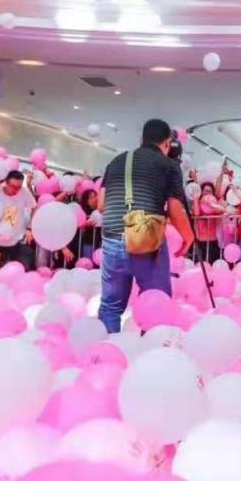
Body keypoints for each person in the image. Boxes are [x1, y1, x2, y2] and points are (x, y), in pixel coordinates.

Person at [98, 119, 193, 333]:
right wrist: (189, 237)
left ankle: (108, 349)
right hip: (147, 241)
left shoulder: (116, 161)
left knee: (111, 306)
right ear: (167, 143)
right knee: (156, 301)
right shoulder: (168, 165)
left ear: (141, 140)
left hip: (112, 238)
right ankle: (150, 348)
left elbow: (101, 204)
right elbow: (175, 208)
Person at [0, 170, 37, 269]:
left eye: (19, 187)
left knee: (18, 269)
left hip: (16, 241)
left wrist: (29, 227)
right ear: (6, 183)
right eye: (13, 186)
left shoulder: (23, 192)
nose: (16, 190)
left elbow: (34, 207)